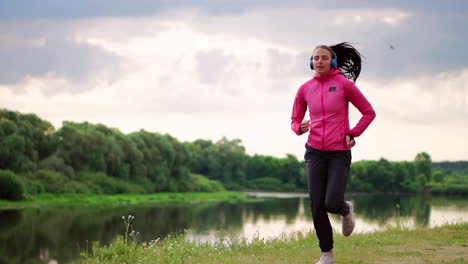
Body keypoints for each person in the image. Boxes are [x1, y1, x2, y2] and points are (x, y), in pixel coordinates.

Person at [291, 42, 376, 264]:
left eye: (324, 58)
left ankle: (346, 209)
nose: (319, 61)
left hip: (339, 152)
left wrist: (353, 132)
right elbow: (295, 119)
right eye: (316, 58)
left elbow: (369, 112)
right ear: (311, 62)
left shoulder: (344, 85)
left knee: (331, 202)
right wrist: (299, 128)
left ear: (333, 61)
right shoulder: (305, 89)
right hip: (314, 152)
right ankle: (327, 254)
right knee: (316, 204)